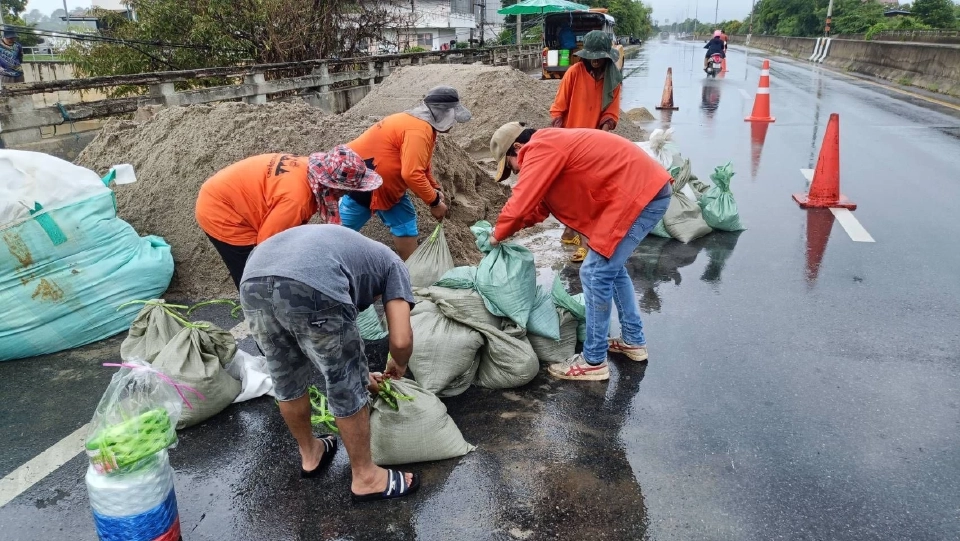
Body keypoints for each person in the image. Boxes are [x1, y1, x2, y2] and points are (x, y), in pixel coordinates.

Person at [239, 224, 419, 502]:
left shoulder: (347, 248)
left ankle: (310, 454)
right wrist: (399, 364)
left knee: (285, 375)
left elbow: (323, 337)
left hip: (253, 278)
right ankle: (366, 477)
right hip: (313, 283)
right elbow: (402, 340)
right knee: (343, 383)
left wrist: (361, 373)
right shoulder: (394, 265)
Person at [488, 122, 672, 381]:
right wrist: (510, 229)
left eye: (511, 166)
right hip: (641, 192)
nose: (516, 173)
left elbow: (520, 202)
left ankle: (593, 361)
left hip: (639, 195)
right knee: (610, 270)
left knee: (595, 272)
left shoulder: (539, 148)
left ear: (518, 147)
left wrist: (496, 234)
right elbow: (537, 208)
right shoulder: (550, 148)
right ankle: (633, 340)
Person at [195, 146, 382, 290]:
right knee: (255, 278)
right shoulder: (296, 201)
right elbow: (267, 247)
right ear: (332, 185)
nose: (345, 194)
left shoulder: (308, 168)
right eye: (346, 190)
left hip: (235, 197)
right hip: (221, 211)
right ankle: (264, 328)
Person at [342, 86, 471, 260]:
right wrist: (434, 202)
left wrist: (435, 188)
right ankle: (411, 273)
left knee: (400, 220)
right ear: (443, 114)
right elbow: (411, 174)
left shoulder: (417, 123)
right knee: (345, 227)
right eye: (453, 118)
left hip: (367, 175)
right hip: (372, 178)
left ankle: (410, 271)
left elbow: (421, 166)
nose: (454, 124)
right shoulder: (419, 130)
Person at [550, 30, 624, 264]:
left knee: (589, 192)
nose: (594, 60)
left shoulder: (612, 79)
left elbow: (610, 114)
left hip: (595, 142)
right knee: (571, 189)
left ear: (606, 57)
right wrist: (559, 135)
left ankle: (584, 242)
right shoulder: (574, 73)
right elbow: (558, 108)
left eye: (598, 56)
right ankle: (570, 231)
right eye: (591, 56)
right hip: (571, 140)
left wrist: (600, 139)